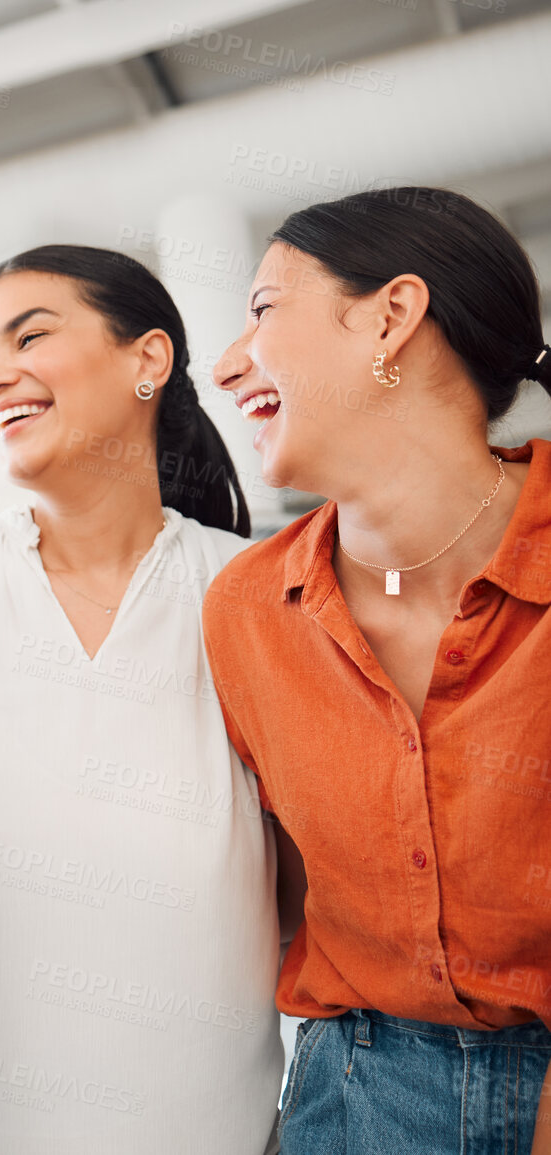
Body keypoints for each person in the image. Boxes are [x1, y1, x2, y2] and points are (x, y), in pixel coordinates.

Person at [0, 245, 283, 1153]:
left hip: (206, 1126)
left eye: (29, 337)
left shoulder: (252, 590)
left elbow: (305, 877)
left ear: (148, 359)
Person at [204, 186, 551, 1155]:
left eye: (263, 312)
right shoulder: (246, 612)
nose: (227, 364)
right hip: (354, 1097)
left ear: (392, 317)